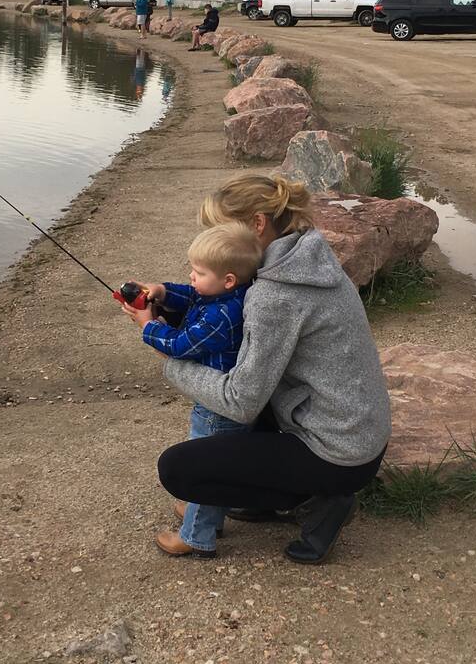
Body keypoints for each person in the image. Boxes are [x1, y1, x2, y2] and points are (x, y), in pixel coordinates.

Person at [123, 174, 391, 564]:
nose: (212, 241)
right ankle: (262, 497)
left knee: (179, 469)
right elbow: (230, 314)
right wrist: (170, 302)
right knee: (228, 427)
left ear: (257, 224)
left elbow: (240, 400)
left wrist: (171, 358)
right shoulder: (303, 257)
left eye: (218, 231)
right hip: (357, 433)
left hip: (336, 454)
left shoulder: (276, 295)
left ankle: (322, 500)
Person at [131, 222, 263, 557]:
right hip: (219, 402)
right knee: (216, 463)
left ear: (228, 279)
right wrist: (162, 292)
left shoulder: (221, 316)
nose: (192, 276)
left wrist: (147, 325)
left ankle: (196, 536)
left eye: (199, 272)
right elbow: (192, 296)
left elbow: (179, 345)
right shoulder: (230, 294)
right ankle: (205, 514)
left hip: (217, 406)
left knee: (205, 468)